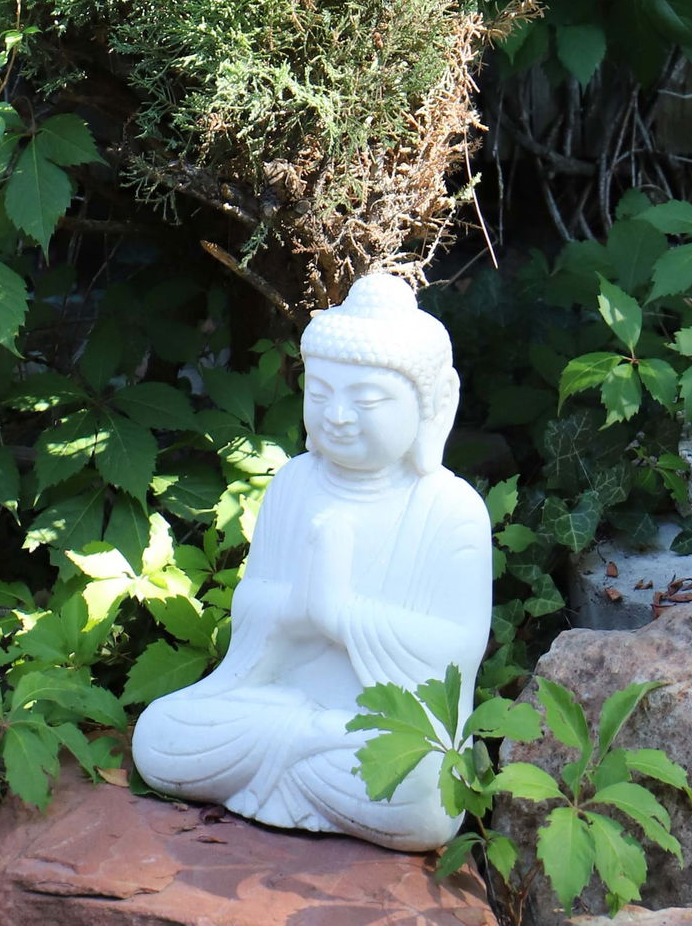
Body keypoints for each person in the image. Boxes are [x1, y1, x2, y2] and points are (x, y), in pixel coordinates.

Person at [132, 272, 491, 851]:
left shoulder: (449, 509)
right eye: (320, 394)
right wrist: (301, 607)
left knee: (425, 794)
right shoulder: (296, 484)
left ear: (430, 406)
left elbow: (458, 647)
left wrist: (343, 614)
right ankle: (300, 750)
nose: (338, 416)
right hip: (277, 701)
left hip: (376, 731)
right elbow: (253, 602)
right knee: (159, 738)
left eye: (367, 399)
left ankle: (294, 758)